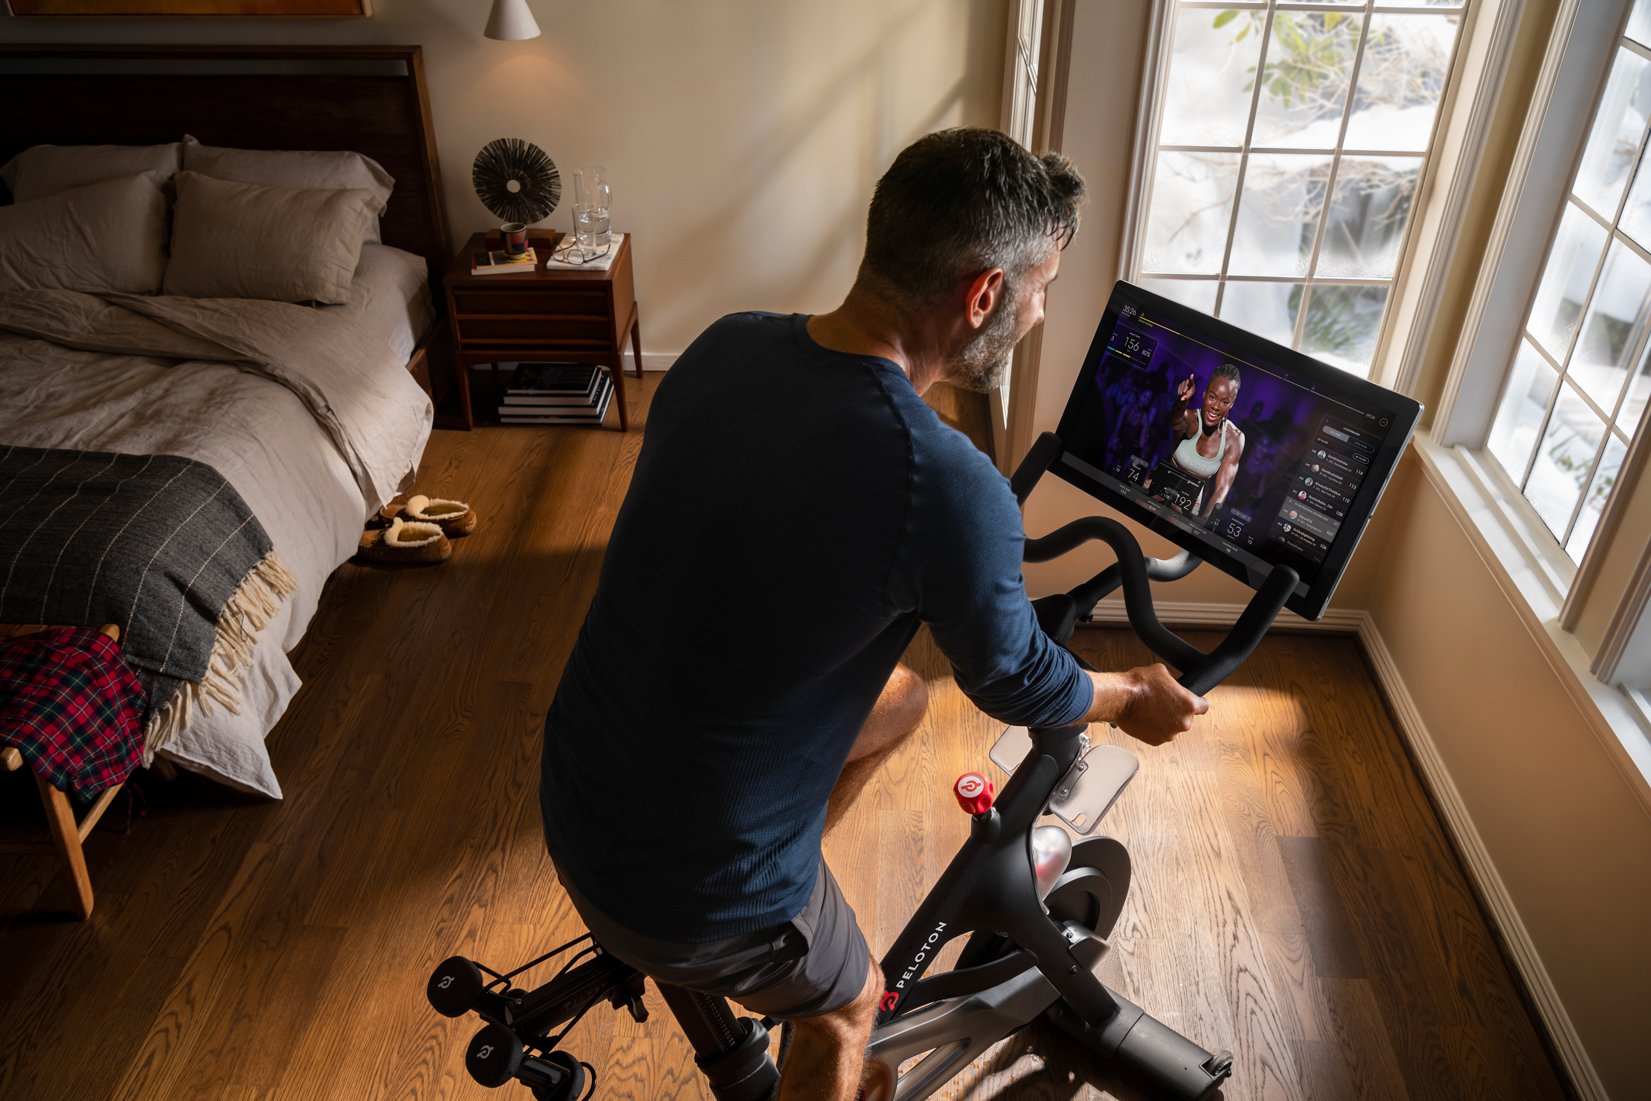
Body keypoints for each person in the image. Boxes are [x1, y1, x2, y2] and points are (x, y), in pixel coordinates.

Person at [538, 127, 1208, 1101]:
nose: (1039, 310)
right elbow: (1019, 681)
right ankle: (783, 946)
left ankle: (784, 896)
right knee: (852, 1010)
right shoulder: (941, 481)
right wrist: (1128, 693)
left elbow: (749, 554)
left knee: (900, 701)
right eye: (1040, 288)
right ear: (983, 294)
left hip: (578, 790)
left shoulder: (727, 344)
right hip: (686, 886)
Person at [1149, 364, 1245, 522]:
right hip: (1159, 488)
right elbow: (1174, 421)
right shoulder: (1191, 419)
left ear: (1232, 403)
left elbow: (1221, 490)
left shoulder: (1234, 438)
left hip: (1189, 506)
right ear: (1204, 393)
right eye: (1212, 397)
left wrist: (1204, 522)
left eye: (1224, 402)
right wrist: (1182, 400)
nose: (1215, 406)